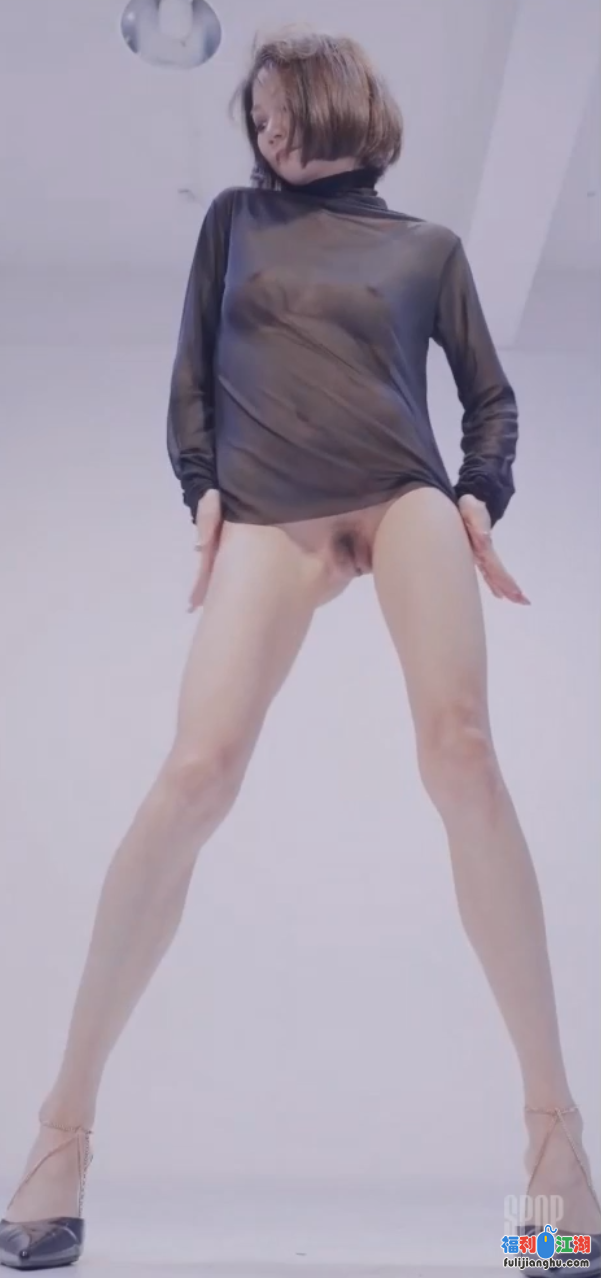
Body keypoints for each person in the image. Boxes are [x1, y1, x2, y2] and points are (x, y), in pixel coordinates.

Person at [1, 27, 599, 1275]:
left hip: (400, 495)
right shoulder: (234, 223)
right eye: (256, 117)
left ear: (340, 107)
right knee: (194, 775)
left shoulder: (426, 248)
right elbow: (191, 380)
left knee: (462, 755)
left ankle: (553, 1144)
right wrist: (200, 490)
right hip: (271, 507)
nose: (265, 133)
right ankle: (62, 1130)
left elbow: (489, 399)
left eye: (282, 111)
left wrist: (478, 495)